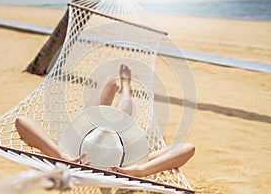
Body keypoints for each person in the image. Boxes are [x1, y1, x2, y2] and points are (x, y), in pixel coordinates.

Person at [15, 64, 195, 177]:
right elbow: (188, 148)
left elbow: (22, 121)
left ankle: (122, 85)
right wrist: (141, 171)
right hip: (117, 151)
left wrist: (61, 155)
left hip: (86, 139)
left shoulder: (67, 154)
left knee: (110, 84)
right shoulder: (133, 164)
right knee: (121, 113)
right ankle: (126, 85)